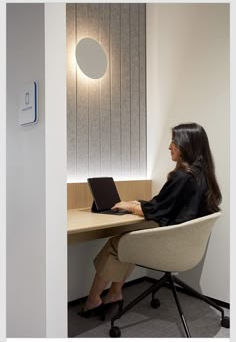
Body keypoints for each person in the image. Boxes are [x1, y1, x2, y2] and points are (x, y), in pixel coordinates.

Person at [80, 122, 222, 317]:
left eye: (174, 141)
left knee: (119, 244)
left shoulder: (182, 177)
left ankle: (93, 301)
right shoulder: (203, 177)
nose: (169, 146)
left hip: (171, 248)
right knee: (130, 238)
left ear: (186, 146)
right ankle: (114, 293)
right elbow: (167, 206)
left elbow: (157, 209)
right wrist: (137, 203)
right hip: (187, 249)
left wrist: (131, 206)